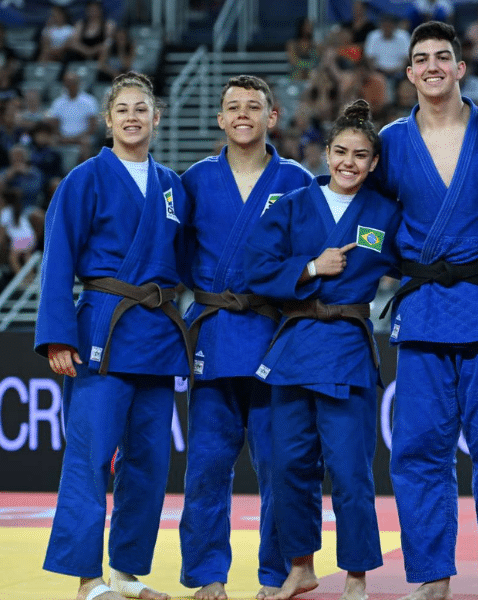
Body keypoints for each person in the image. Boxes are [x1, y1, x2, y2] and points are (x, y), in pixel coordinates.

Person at [372, 21, 478, 600]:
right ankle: (433, 576)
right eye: (421, 59)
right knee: (417, 452)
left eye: (443, 56)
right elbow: (359, 204)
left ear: (462, 69)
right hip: (423, 312)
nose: (433, 65)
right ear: (408, 73)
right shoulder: (387, 142)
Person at [35, 71, 190, 600]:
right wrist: (58, 336)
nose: (132, 117)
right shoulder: (83, 179)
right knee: (91, 458)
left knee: (148, 464)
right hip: (102, 327)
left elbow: (188, 261)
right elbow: (57, 261)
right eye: (122, 108)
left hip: (157, 336)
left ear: (156, 117)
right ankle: (87, 580)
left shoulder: (173, 186)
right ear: (107, 119)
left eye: (141, 108)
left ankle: (126, 573)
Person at [243, 99, 401, 600]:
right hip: (293, 352)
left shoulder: (385, 213)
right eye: (340, 152)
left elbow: (419, 260)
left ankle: (356, 574)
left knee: (351, 469)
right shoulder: (291, 205)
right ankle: (301, 566)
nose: (348, 162)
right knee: (290, 466)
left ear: (374, 163)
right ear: (325, 153)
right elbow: (254, 270)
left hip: (347, 352)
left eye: (359, 155)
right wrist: (311, 267)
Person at [177, 74, 313, 600]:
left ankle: (277, 574)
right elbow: (176, 253)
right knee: (208, 465)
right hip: (215, 331)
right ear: (219, 118)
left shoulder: (298, 180)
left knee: (283, 464)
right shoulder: (194, 181)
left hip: (276, 336)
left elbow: (314, 256)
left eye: (253, 107)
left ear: (271, 118)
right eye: (232, 107)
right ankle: (208, 574)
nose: (242, 115)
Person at [46, 70, 100, 160]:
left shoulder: (89, 101)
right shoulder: (58, 102)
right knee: (51, 141)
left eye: (72, 83)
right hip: (63, 137)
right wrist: (62, 137)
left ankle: (85, 171)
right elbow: (54, 125)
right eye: (67, 83)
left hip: (82, 137)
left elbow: (92, 127)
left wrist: (76, 138)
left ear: (78, 84)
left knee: (86, 142)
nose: (70, 86)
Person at [364, 14, 411, 84]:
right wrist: (377, 71)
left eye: (389, 26)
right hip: (378, 71)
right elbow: (369, 58)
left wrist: (397, 70)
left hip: (399, 72)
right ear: (380, 26)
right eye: (385, 26)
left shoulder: (403, 36)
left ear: (394, 26)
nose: (387, 28)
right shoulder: (373, 36)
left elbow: (407, 58)